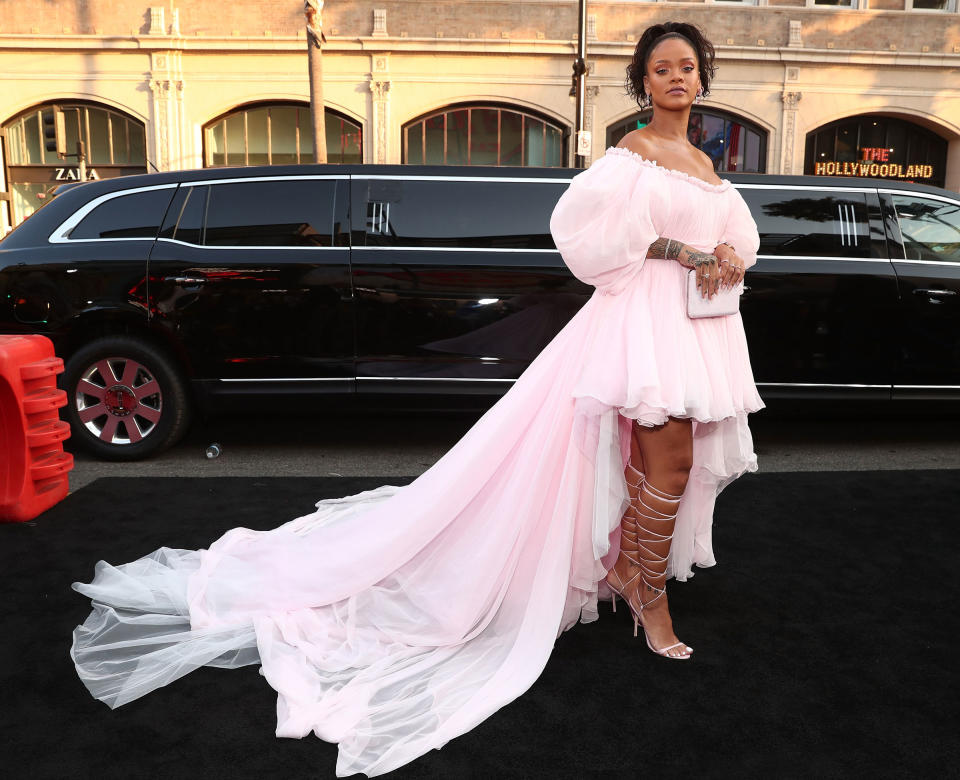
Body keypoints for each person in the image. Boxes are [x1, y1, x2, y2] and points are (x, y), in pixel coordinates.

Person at [70, 20, 763, 779]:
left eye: (686, 67)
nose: (675, 77)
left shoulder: (706, 162)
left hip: (695, 328)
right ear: (643, 81)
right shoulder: (631, 155)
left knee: (671, 459)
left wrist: (728, 251)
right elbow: (591, 235)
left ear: (702, 79)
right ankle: (646, 591)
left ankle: (635, 572)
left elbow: (739, 235)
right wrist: (681, 249)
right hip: (639, 322)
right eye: (661, 67)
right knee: (663, 458)